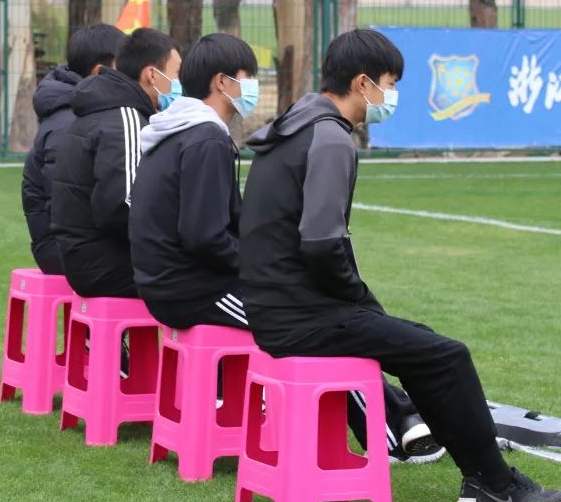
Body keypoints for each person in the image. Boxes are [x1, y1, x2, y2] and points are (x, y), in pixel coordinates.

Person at [239, 28, 561, 502]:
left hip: (275, 308)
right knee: (447, 355)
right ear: (363, 83)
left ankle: (454, 456)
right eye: (390, 83)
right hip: (299, 316)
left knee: (423, 343)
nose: (392, 95)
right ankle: (494, 483)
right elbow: (322, 246)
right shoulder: (329, 138)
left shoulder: (293, 125)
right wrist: (357, 297)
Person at [129, 32, 439, 463]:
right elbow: (204, 237)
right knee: (317, 322)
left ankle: (400, 413)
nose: (253, 87)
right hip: (190, 289)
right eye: (248, 77)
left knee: (321, 313)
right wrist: (264, 268)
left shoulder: (180, 129)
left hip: (169, 280)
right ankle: (394, 430)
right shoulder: (205, 138)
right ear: (222, 82)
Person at [51, 27, 180, 298]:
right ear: (152, 75)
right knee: (210, 276)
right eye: (176, 74)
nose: (180, 83)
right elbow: (124, 205)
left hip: (85, 258)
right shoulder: (125, 118)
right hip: (106, 265)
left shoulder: (100, 109)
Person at [22, 24, 125, 275]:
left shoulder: (82, 113)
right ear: (100, 71)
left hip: (78, 243)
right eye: (125, 66)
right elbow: (65, 206)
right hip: (64, 249)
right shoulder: (69, 123)